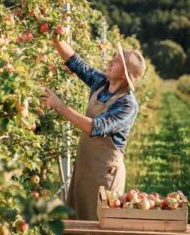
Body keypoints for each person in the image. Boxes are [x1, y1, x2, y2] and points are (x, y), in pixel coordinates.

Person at [41, 39, 146, 220]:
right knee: (76, 224)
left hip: (104, 176)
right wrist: (53, 34)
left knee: (98, 224)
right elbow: (75, 62)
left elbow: (96, 127)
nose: (111, 61)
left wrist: (60, 106)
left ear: (125, 74)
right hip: (84, 169)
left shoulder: (127, 104)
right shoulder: (102, 84)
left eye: (117, 60)